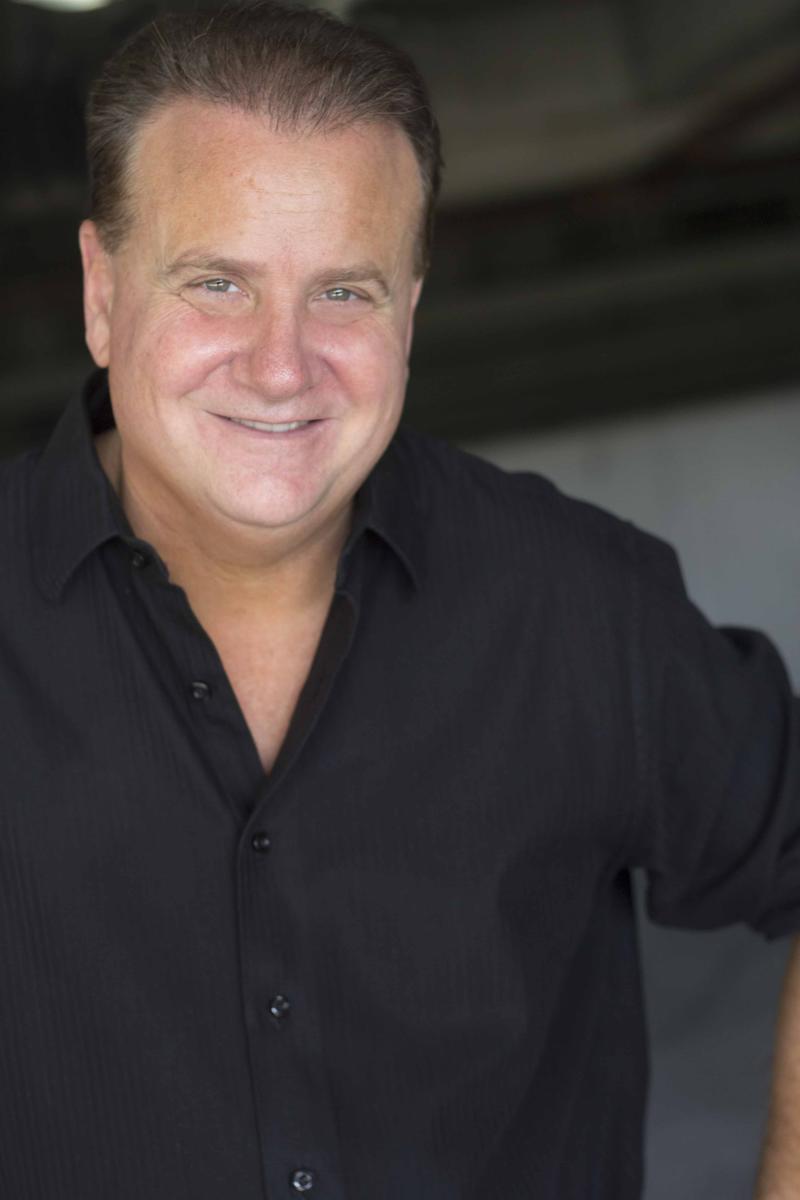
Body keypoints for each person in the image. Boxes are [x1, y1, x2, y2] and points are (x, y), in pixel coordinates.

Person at [1, 3, 799, 1197]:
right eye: (217, 283)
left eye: (343, 293)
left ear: (410, 311)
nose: (281, 366)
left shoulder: (576, 607)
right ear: (102, 292)